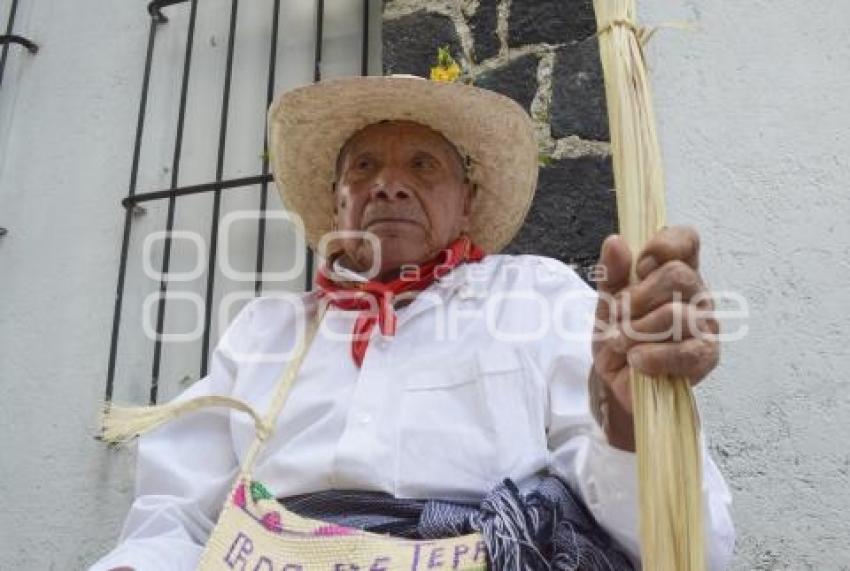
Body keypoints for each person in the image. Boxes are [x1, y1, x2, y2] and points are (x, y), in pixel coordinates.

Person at [90, 75, 735, 570]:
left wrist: (628, 424)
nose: (389, 185)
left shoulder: (534, 295)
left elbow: (687, 549)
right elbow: (172, 520)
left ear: (467, 205)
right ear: (337, 203)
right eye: (363, 168)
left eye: (423, 166)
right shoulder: (265, 331)